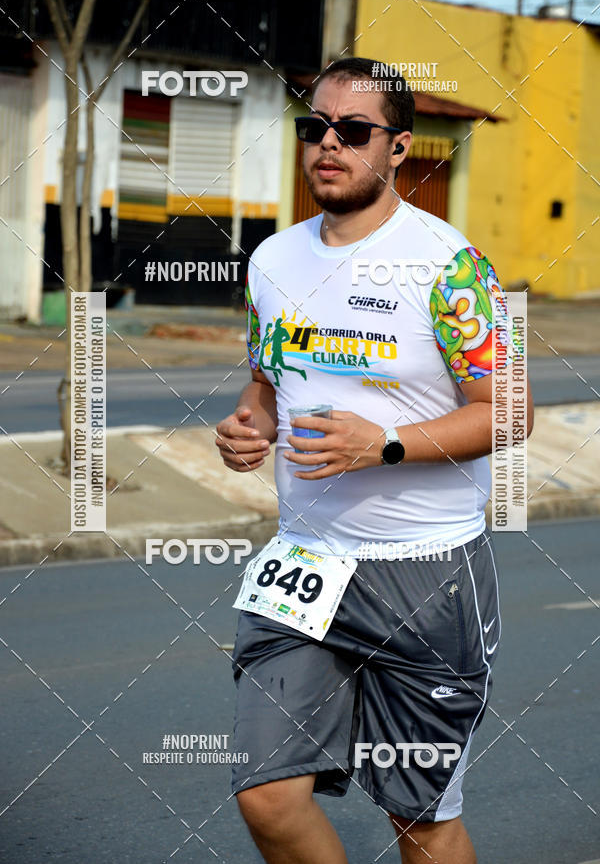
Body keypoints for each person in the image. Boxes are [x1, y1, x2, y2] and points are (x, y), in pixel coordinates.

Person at [215, 56, 533, 864]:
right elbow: (266, 384)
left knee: (419, 824)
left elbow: (512, 410)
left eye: (353, 130)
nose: (328, 143)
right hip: (306, 567)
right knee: (266, 795)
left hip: (424, 575)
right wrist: (247, 427)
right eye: (314, 127)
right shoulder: (272, 262)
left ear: (398, 148)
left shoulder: (450, 266)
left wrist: (384, 444)